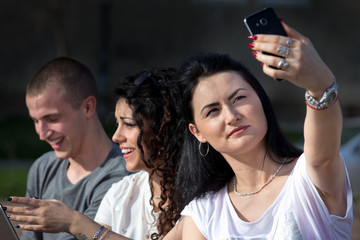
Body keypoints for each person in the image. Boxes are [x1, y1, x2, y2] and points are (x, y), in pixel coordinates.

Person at [174, 21, 353, 239]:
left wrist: (320, 85)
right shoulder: (204, 213)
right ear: (197, 132)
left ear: (260, 99)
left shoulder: (309, 178)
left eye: (239, 98)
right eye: (213, 111)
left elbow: (322, 158)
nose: (232, 116)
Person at [6, 68, 184, 240]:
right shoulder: (121, 192)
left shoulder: (201, 199)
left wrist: (74, 222)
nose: (116, 136)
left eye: (129, 124)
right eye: (36, 121)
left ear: (164, 128)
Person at [12, 57, 130, 240]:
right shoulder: (43, 167)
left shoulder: (120, 178)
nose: (42, 134)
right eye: (35, 121)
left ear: (88, 108)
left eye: (52, 119)